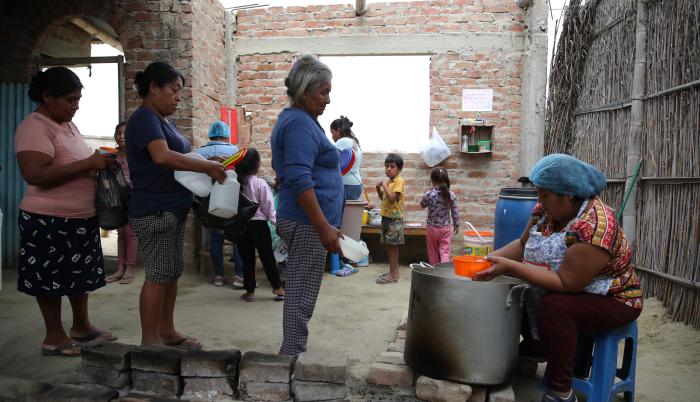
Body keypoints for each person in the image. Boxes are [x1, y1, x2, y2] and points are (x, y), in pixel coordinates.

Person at [474, 154, 643, 402]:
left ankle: (561, 391)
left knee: (554, 307)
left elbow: (566, 284)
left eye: (544, 195)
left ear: (570, 194)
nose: (539, 201)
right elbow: (522, 245)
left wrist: (510, 267)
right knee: (518, 292)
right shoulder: (546, 209)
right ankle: (537, 346)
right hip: (576, 287)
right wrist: (483, 263)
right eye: (539, 194)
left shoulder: (595, 225)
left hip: (615, 298)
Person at [14, 66, 117, 357]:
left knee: (77, 276)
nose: (76, 106)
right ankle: (54, 337)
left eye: (78, 99)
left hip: (78, 218)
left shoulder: (67, 126)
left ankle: (81, 327)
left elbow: (73, 162)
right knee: (50, 279)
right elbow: (35, 174)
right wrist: (88, 164)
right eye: (70, 100)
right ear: (47, 97)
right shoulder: (34, 127)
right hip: (48, 219)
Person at [125, 61, 226, 348]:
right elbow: (161, 157)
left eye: (180, 92)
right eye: (174, 90)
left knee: (170, 272)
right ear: (154, 88)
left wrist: (206, 161)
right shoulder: (144, 118)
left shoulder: (162, 121)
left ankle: (166, 331)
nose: (178, 97)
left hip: (172, 208)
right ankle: (149, 339)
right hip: (154, 210)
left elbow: (179, 156)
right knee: (158, 274)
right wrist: (205, 168)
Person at [271, 54, 344, 357]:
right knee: (301, 291)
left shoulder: (301, 121)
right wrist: (323, 225)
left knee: (303, 288)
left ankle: (293, 350)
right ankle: (290, 356)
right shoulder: (300, 124)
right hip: (305, 222)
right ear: (303, 91)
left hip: (305, 221)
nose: (328, 99)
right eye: (323, 92)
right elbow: (300, 179)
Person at [196, 120, 245, 287]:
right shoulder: (234, 150)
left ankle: (218, 276)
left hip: (209, 200)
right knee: (237, 237)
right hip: (231, 198)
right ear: (226, 134)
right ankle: (239, 275)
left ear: (211, 134)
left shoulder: (200, 152)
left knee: (216, 238)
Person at [235, 148, 285, 302]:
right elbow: (269, 207)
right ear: (256, 165)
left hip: (242, 226)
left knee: (247, 260)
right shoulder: (260, 184)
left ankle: (250, 293)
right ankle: (277, 289)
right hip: (259, 226)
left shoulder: (235, 183)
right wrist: (276, 224)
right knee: (267, 257)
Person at [106, 121, 137, 285]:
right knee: (120, 233)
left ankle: (129, 267)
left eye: (125, 133)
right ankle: (119, 268)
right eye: (119, 133)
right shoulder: (111, 156)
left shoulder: (136, 154)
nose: (122, 136)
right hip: (117, 199)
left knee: (130, 233)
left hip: (134, 198)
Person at [375, 153, 405, 284]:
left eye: (392, 166)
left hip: (394, 219)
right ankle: (393, 272)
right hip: (386, 217)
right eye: (386, 166)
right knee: (390, 246)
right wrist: (378, 189)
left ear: (399, 169)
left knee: (393, 246)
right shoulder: (388, 182)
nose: (388, 169)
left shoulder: (399, 181)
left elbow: (393, 199)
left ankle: (393, 274)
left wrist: (385, 186)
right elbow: (385, 199)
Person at [420, 167, 459, 265]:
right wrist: (456, 224)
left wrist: (427, 193)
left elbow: (422, 205)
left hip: (432, 229)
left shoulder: (429, 194)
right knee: (445, 251)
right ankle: (443, 272)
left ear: (432, 180)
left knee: (432, 251)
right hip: (445, 229)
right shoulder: (451, 195)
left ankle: (434, 272)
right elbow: (455, 211)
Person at [330, 115, 363, 200]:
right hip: (356, 185)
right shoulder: (354, 142)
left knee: (342, 212)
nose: (332, 137)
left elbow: (331, 159)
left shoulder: (342, 141)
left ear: (338, 130)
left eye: (332, 132)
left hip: (346, 185)